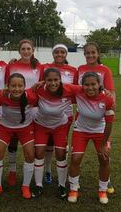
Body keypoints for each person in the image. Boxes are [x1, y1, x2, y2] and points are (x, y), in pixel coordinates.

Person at [67, 72, 115, 204]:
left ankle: (102, 190)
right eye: (86, 85)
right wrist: (42, 83)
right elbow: (59, 86)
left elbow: (109, 123)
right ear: (82, 86)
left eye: (93, 84)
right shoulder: (78, 92)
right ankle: (73, 188)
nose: (90, 87)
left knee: (104, 159)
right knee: (75, 158)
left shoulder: (108, 99)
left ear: (99, 84)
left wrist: (104, 143)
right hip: (81, 130)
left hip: (100, 132)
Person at [0, 73, 38, 200]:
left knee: (30, 154)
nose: (17, 89)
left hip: (25, 128)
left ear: (25, 86)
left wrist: (40, 84)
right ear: (8, 87)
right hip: (5, 127)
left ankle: (25, 186)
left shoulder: (32, 96)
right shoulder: (1, 95)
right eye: (13, 86)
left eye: (20, 86)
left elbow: (46, 94)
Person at [77, 42, 116, 193]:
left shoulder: (105, 70)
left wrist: (111, 110)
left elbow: (111, 92)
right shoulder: (80, 69)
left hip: (101, 116)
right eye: (87, 53)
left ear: (98, 53)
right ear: (84, 54)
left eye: (93, 52)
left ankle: (107, 180)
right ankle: (74, 179)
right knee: (78, 153)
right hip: (84, 115)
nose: (90, 55)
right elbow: (78, 90)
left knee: (104, 151)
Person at [32, 67, 77, 199]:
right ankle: (39, 185)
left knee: (61, 153)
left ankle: (62, 185)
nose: (53, 83)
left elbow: (86, 89)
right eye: (49, 80)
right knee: (39, 152)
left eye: (56, 80)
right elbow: (22, 93)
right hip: (41, 125)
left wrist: (103, 90)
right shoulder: (39, 89)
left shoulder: (68, 89)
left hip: (60, 126)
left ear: (60, 80)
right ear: (44, 81)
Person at [4, 39, 42, 186]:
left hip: (32, 108)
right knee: (12, 139)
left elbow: (43, 83)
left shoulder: (39, 66)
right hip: (13, 107)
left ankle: (42, 173)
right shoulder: (12, 65)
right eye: (23, 49)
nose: (26, 51)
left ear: (33, 50)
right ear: (19, 50)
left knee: (33, 143)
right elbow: (7, 85)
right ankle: (12, 171)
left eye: (29, 49)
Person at [40, 44, 78, 184]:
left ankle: (63, 171)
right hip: (47, 113)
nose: (59, 54)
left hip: (65, 113)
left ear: (66, 54)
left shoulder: (73, 70)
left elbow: (76, 90)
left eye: (62, 52)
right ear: (53, 53)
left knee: (62, 144)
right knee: (48, 143)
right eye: (57, 52)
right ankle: (48, 170)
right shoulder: (44, 67)